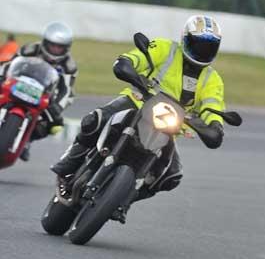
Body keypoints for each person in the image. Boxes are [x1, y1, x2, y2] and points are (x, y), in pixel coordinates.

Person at [51, 15, 227, 211]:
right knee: (94, 120)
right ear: (185, 39)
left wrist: (215, 126)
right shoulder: (164, 48)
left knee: (171, 175)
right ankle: (69, 163)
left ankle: (124, 198)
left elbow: (213, 108)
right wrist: (127, 65)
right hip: (137, 102)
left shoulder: (213, 80)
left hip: (169, 127)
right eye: (198, 45)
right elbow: (135, 58)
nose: (203, 51)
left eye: (209, 47)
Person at [0, 23, 78, 161]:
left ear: (66, 48)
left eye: (59, 47)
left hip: (45, 94)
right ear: (45, 43)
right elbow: (10, 65)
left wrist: (57, 108)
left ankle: (27, 140)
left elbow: (66, 90)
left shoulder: (69, 65)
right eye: (52, 45)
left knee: (53, 125)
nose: (55, 49)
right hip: (18, 83)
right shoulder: (30, 49)